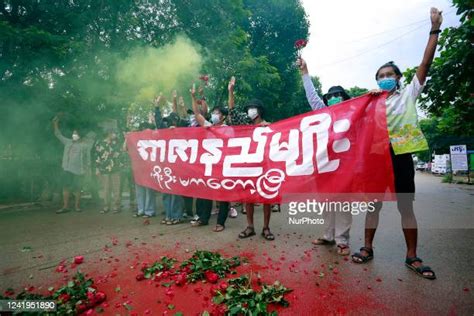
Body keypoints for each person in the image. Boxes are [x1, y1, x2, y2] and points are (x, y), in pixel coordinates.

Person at [351, 8, 442, 280]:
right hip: (376, 159)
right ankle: (367, 248)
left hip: (401, 155)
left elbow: (425, 64)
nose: (384, 78)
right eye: (380, 75)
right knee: (372, 206)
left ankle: (411, 255)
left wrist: (434, 30)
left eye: (389, 74)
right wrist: (367, 99)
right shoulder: (369, 102)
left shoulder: (408, 96)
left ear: (399, 78)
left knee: (406, 207)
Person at [298, 57, 353, 255]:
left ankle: (342, 240)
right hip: (326, 165)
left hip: (346, 166)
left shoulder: (353, 113)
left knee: (343, 204)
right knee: (327, 203)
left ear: (345, 98)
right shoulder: (324, 113)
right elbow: (312, 96)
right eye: (330, 96)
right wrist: (305, 73)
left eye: (337, 95)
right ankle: (328, 235)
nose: (333, 98)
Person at [226, 77, 275, 240]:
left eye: (253, 108)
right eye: (249, 108)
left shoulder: (269, 126)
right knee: (248, 197)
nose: (250, 111)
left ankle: (266, 228)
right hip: (248, 166)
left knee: (267, 198)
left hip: (265, 166)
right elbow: (232, 111)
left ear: (259, 110)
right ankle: (250, 227)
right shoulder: (244, 124)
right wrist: (231, 91)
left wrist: (267, 129)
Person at [189, 83, 231, 232]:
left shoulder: (228, 129)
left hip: (222, 167)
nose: (214, 115)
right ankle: (203, 218)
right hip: (208, 166)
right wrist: (194, 97)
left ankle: (221, 222)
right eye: (213, 112)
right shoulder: (208, 125)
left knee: (222, 195)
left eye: (217, 113)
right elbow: (197, 115)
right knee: (204, 192)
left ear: (223, 116)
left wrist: (213, 131)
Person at [52, 116, 94, 213]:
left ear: (80, 135)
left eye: (76, 133)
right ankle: (65, 207)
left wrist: (87, 170)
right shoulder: (68, 142)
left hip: (79, 170)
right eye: (73, 133)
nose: (74, 135)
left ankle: (77, 207)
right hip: (67, 169)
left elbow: (87, 158)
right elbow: (58, 134)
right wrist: (55, 124)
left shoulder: (84, 145)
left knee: (77, 188)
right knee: (66, 187)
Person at [95, 128, 123, 214]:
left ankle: (116, 207)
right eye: (113, 133)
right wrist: (97, 169)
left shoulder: (117, 143)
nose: (115, 135)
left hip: (115, 169)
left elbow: (120, 154)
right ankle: (106, 206)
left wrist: (121, 166)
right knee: (106, 189)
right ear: (109, 133)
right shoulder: (100, 143)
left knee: (116, 188)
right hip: (104, 169)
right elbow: (97, 156)